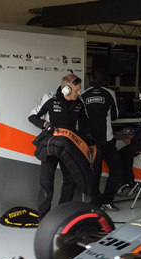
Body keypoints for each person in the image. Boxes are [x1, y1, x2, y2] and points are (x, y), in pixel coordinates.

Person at [28, 73, 89, 217]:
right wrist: (45, 124)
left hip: (69, 146)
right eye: (76, 90)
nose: (79, 92)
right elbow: (32, 116)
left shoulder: (79, 102)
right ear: (66, 89)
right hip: (51, 145)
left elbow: (85, 124)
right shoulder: (49, 98)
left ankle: (61, 214)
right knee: (46, 182)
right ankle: (43, 216)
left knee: (71, 180)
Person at [82, 68, 122, 211]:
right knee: (117, 170)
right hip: (107, 139)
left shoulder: (83, 94)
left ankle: (96, 202)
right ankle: (107, 200)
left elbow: (81, 117)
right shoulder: (110, 93)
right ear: (106, 80)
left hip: (90, 140)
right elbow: (116, 115)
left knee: (95, 172)